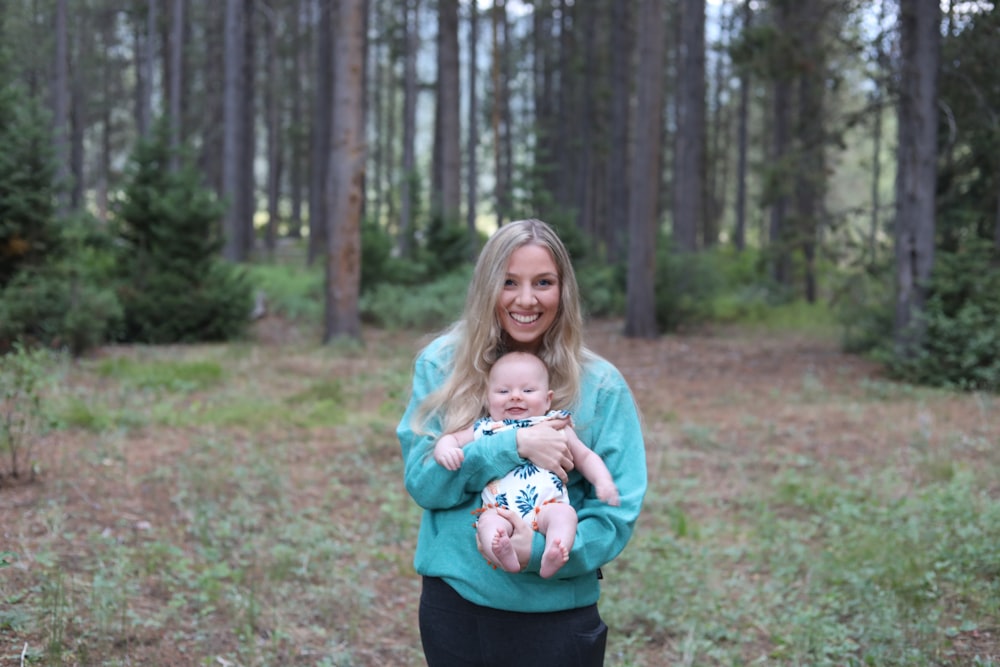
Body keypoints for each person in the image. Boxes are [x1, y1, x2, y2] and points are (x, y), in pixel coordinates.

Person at [397, 218, 647, 667]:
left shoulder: (601, 387)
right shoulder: (442, 365)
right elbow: (424, 484)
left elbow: (615, 513)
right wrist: (512, 445)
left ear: (563, 290)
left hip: (554, 617)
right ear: (486, 286)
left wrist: (535, 552)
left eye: (543, 282)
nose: (527, 299)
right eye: (509, 282)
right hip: (456, 607)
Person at [433, 351, 620, 579]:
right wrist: (446, 449)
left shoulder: (555, 424)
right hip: (499, 510)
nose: (515, 396)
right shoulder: (486, 428)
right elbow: (452, 438)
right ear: (487, 398)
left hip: (547, 507)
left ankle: (554, 551)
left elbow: (585, 456)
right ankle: (504, 555)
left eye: (528, 390)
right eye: (503, 391)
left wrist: (602, 480)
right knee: (487, 525)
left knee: (565, 516)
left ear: (548, 399)